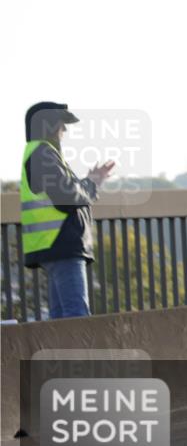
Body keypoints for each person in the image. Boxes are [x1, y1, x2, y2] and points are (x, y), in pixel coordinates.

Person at [21, 102, 115, 319]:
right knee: (76, 319)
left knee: (61, 319)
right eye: (62, 126)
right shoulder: (43, 154)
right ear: (50, 126)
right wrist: (91, 185)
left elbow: (64, 191)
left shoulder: (42, 154)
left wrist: (89, 182)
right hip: (61, 245)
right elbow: (65, 197)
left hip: (54, 245)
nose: (65, 131)